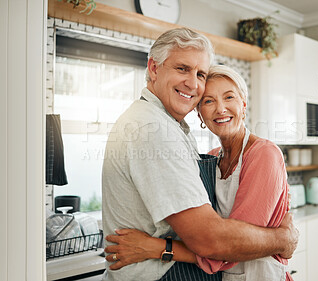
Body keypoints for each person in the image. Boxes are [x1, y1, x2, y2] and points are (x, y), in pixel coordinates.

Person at [102, 27, 298, 281]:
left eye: (200, 74)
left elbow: (228, 242)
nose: (193, 83)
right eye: (182, 68)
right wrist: (283, 239)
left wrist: (160, 248)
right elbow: (214, 240)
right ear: (153, 68)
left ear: (243, 104)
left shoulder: (261, 153)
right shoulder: (155, 129)